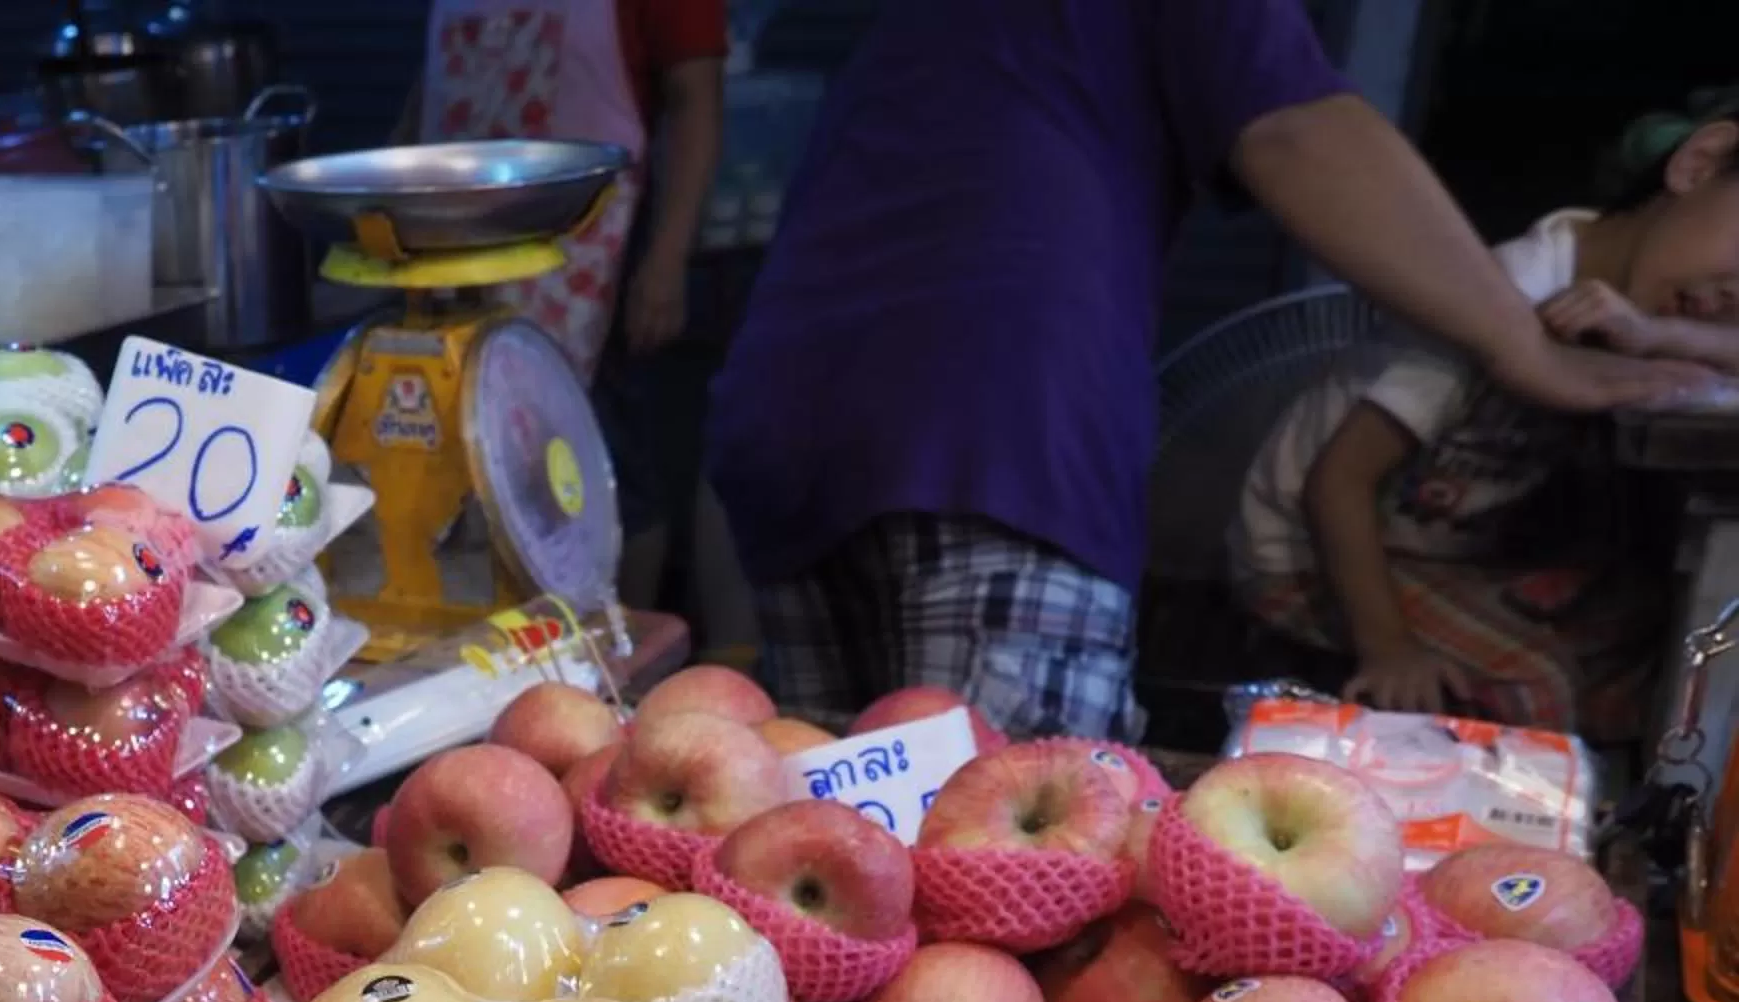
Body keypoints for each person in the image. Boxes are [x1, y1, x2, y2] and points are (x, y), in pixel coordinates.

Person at [705, 0, 1707, 742]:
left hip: (792, 414)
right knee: (1006, 899)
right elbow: (1297, 129)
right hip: (991, 425)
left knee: (836, 870)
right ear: (1704, 161)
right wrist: (1527, 349)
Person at [1232, 92, 1739, 737]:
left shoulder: (1644, 308)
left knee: (1666, 633)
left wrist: (1657, 337)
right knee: (1547, 687)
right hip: (1309, 552)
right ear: (1701, 163)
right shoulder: (1501, 294)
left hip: (1450, 550)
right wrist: (1390, 650)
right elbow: (1336, 481)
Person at [417, 0, 726, 384]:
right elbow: (429, 89)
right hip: (439, 265)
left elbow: (694, 101)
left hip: (582, 271)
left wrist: (667, 259)